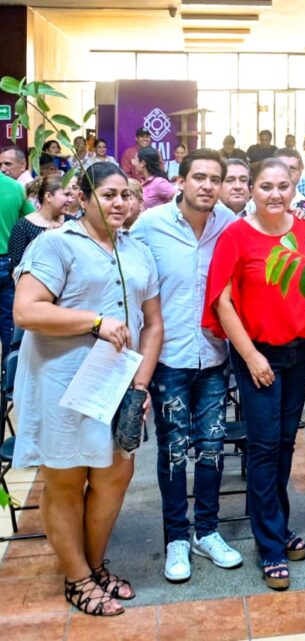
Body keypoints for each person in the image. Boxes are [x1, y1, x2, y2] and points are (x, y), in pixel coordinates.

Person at [12, 162, 162, 615]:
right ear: (83, 196)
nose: (120, 203)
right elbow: (26, 311)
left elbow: (153, 323)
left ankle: (95, 567)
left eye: (126, 195)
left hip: (119, 382)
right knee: (65, 478)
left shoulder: (136, 249)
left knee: (115, 474)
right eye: (109, 194)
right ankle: (76, 578)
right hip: (63, 380)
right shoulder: (56, 245)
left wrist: (141, 383)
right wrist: (94, 322)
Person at [204, 158, 305, 590]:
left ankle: (275, 524)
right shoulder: (236, 234)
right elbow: (222, 300)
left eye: (283, 186)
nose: (275, 194)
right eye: (266, 186)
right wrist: (251, 355)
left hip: (299, 351)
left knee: (287, 442)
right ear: (250, 189)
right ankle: (270, 544)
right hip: (258, 354)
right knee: (263, 446)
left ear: (294, 189)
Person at [131, 148, 245, 583]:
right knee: (174, 451)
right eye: (199, 177)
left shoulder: (230, 227)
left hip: (214, 356)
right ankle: (177, 537)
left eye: (215, 179)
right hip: (169, 357)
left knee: (213, 447)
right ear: (180, 180)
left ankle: (208, 531)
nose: (207, 186)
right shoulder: (150, 226)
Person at [0, 170, 35, 359]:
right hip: (8, 262)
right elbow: (33, 218)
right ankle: (6, 376)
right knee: (8, 324)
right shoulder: (15, 188)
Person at [9, 176, 75, 269]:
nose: (71, 200)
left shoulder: (72, 222)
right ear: (48, 196)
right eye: (66, 194)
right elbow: (16, 268)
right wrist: (44, 239)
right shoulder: (23, 227)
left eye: (71, 195)